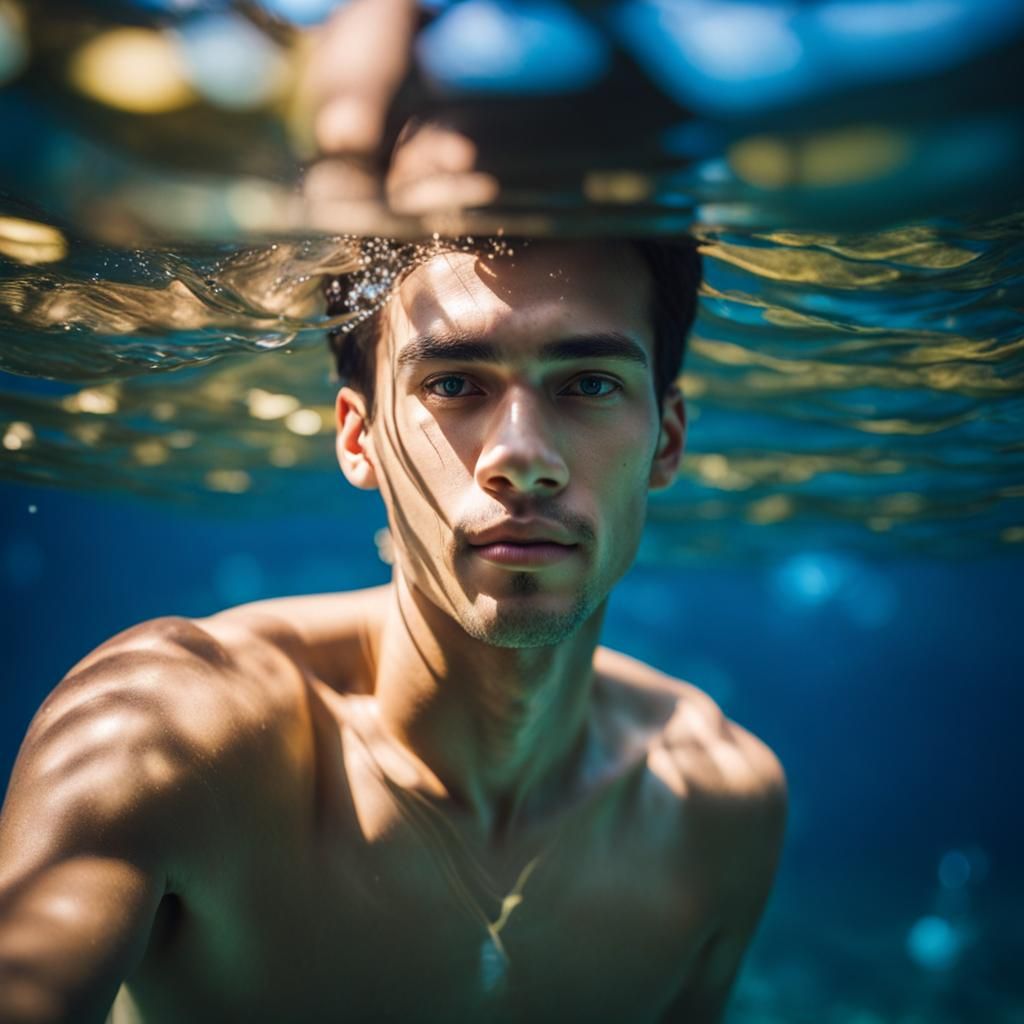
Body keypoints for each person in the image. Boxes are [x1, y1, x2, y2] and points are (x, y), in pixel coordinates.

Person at [0, 232, 786, 1023]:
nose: (522, 457)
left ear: (669, 438)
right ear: (358, 435)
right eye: (451, 383)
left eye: (587, 383)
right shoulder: (159, 737)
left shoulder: (718, 809)